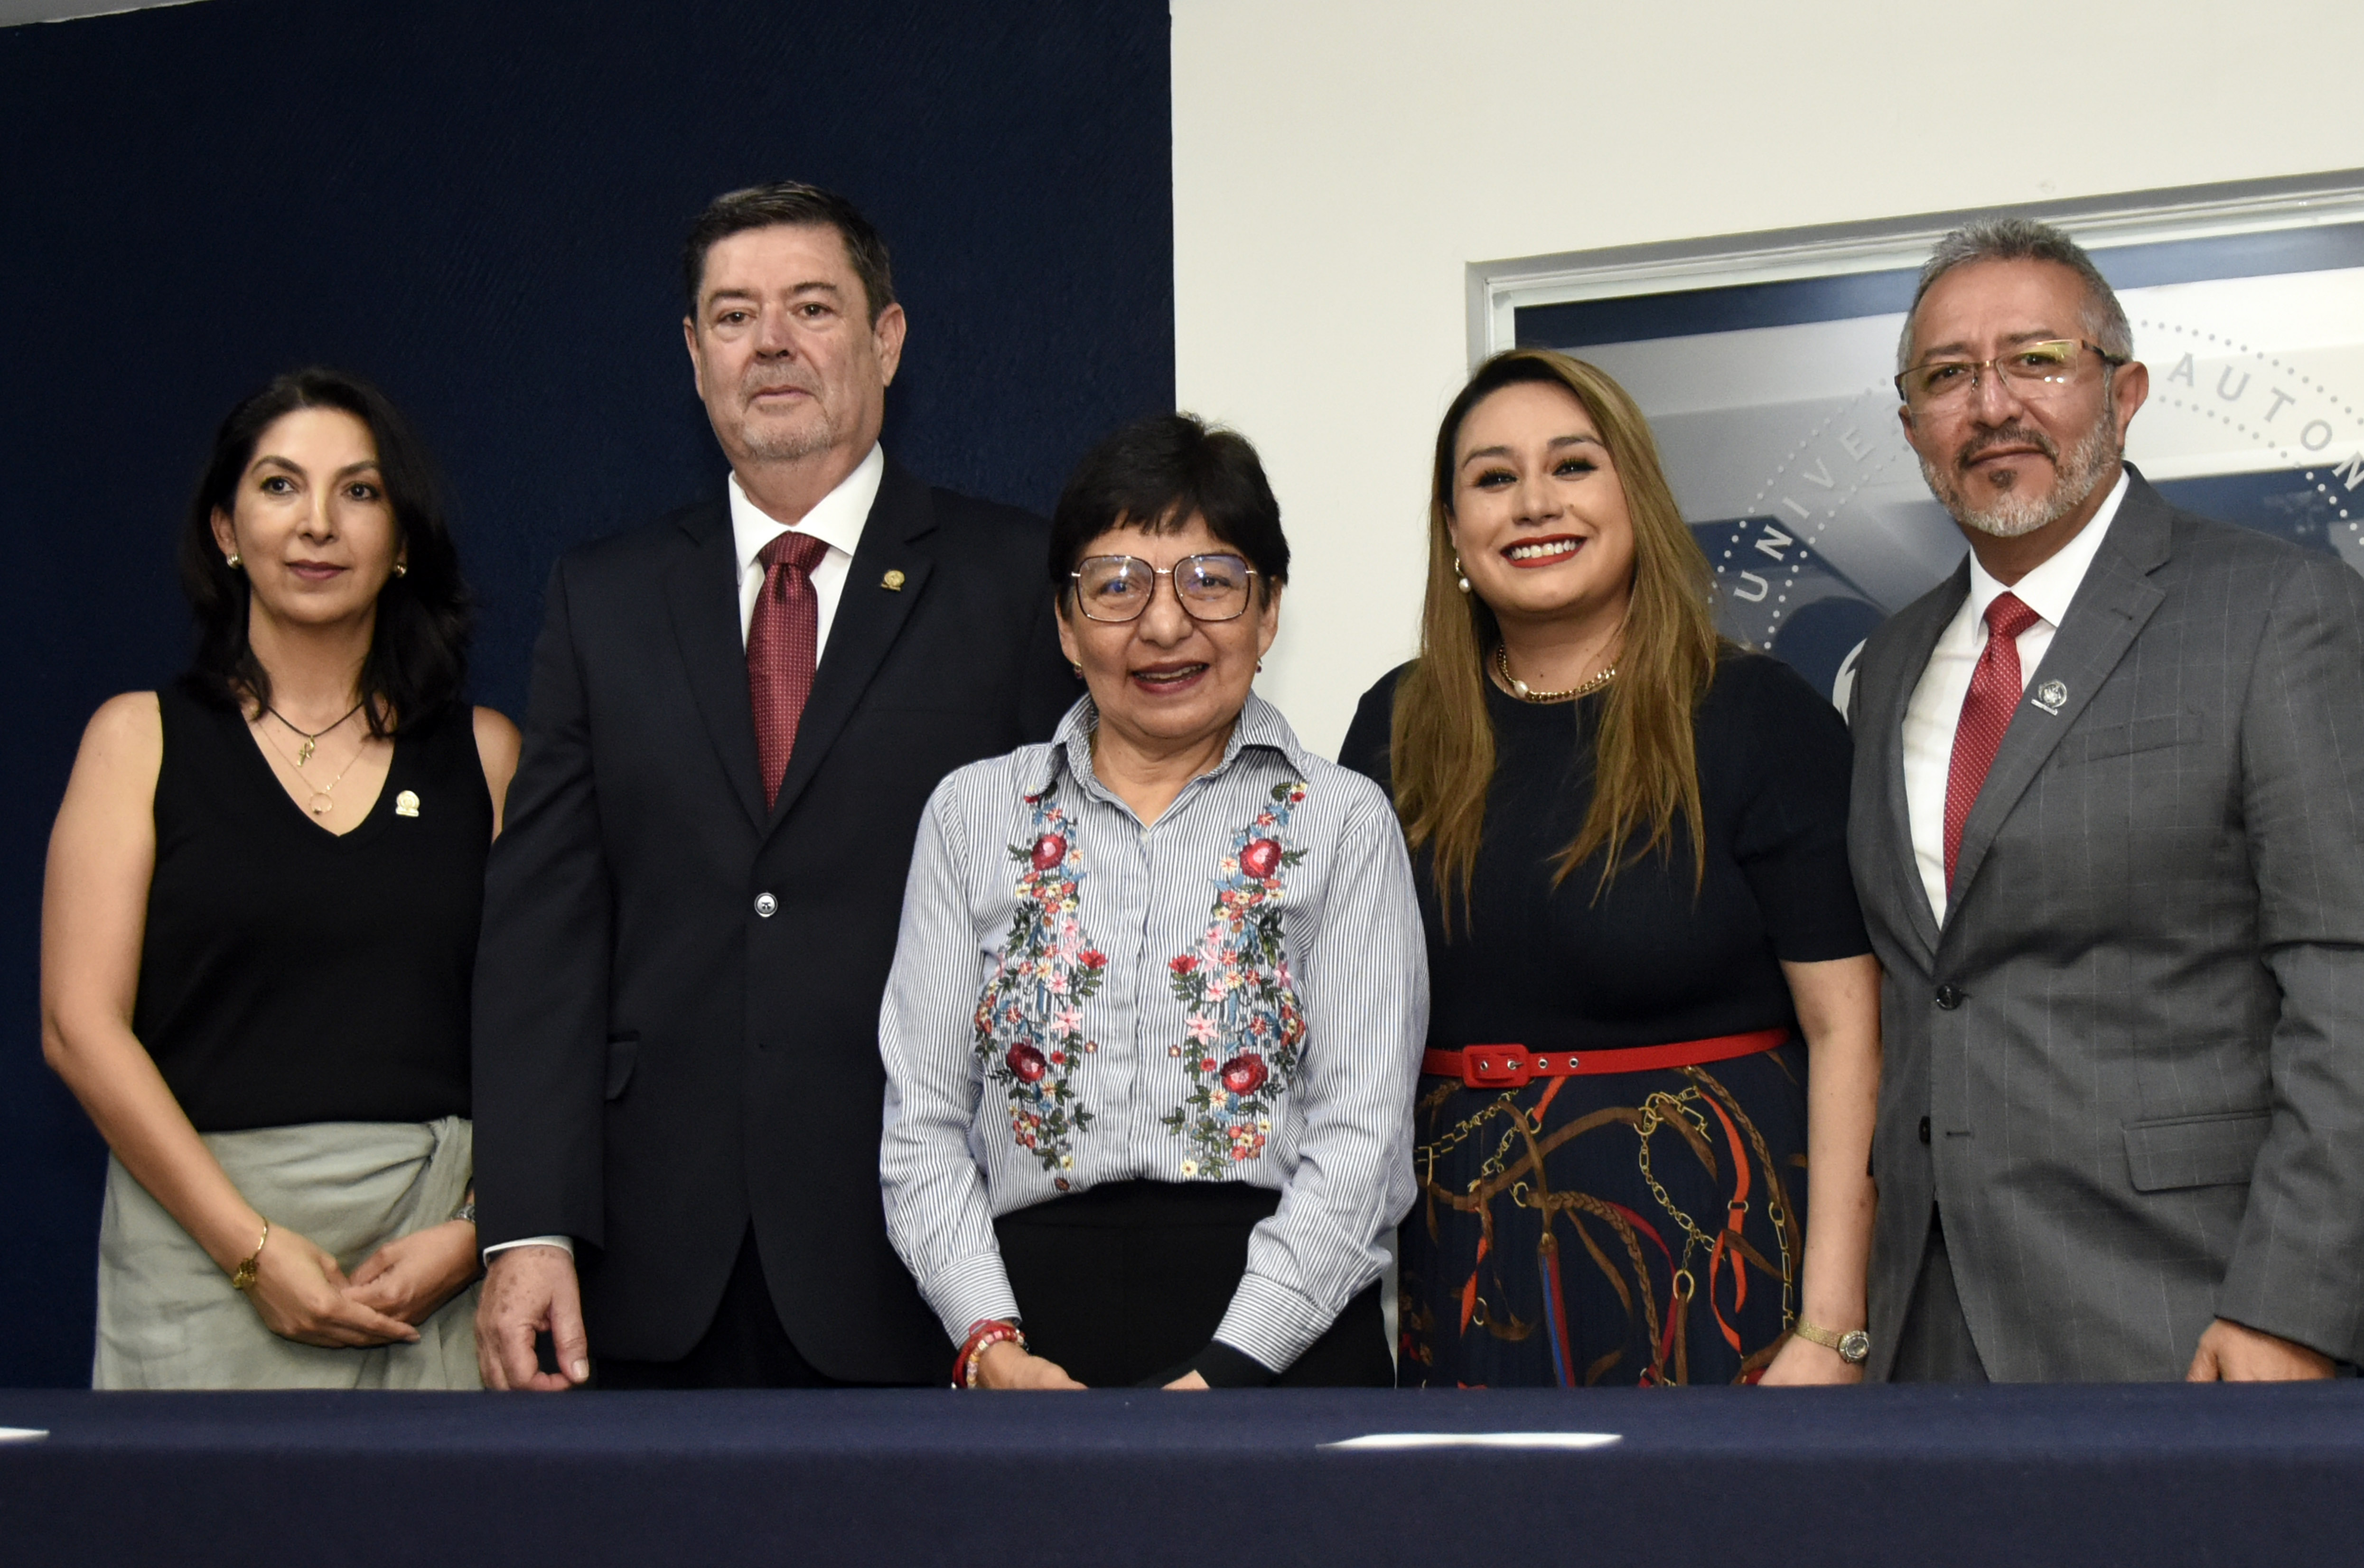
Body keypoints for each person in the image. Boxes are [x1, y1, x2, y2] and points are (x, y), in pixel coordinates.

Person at [471, 182, 1080, 1390]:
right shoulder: (603, 598)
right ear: (695, 355)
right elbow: (543, 933)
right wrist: (528, 1224)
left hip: (926, 1261)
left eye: (812, 306)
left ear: (886, 339)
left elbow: (1070, 917)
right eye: (734, 315)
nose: (772, 343)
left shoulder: (1017, 579)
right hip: (646, 1263)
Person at [1849, 219, 2364, 1383]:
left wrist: (2293, 1307)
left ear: (2124, 394)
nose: (1992, 405)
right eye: (1948, 375)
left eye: (2037, 360)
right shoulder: (1889, 667)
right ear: (1913, 426)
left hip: (2191, 1316)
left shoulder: (2276, 611)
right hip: (1924, 1335)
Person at [1341, 349, 1881, 1387]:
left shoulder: (1759, 717)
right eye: (1493, 478)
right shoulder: (1395, 724)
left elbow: (1849, 1029)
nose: (1534, 503)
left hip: (1711, 1259)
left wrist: (1832, 1328)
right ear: (1452, 529)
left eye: (1573, 465)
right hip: (1467, 1265)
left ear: (1637, 494)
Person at [881, 413, 1425, 1389]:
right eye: (1116, 585)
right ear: (1065, 621)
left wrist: (1232, 1366)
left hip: (1286, 1349)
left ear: (1268, 611)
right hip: (1029, 1350)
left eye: (1211, 580)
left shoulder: (1343, 821)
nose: (1165, 625)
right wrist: (991, 1344)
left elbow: (1364, 1139)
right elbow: (922, 1125)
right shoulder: (971, 816)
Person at [40, 368, 519, 1388]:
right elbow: (79, 1027)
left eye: (360, 491)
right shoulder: (136, 740)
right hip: (200, 1259)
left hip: (434, 1269)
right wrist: (251, 1251)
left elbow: (548, 1030)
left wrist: (480, 1231)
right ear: (226, 528)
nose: (317, 524)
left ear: (402, 539)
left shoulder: (486, 757)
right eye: (279, 485)